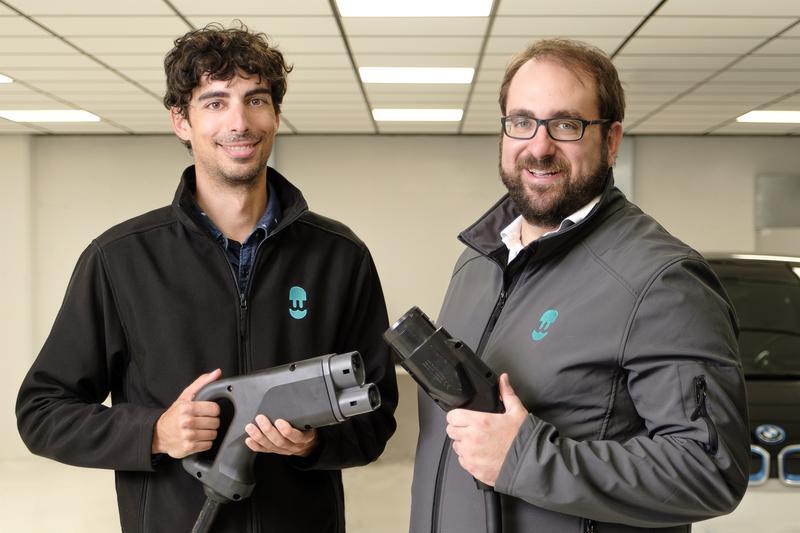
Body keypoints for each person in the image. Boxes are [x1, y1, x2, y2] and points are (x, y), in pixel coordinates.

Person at [16, 23, 397, 533]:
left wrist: (314, 443)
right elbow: (42, 412)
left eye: (255, 100)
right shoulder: (120, 259)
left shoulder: (340, 256)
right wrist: (155, 432)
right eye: (215, 102)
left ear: (276, 115)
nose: (240, 122)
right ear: (181, 121)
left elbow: (376, 419)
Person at [410, 39, 749, 533]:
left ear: (611, 140)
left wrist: (526, 459)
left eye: (566, 125)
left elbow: (709, 470)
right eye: (521, 121)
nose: (539, 147)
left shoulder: (661, 279)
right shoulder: (478, 260)